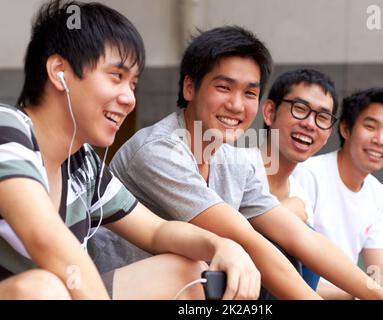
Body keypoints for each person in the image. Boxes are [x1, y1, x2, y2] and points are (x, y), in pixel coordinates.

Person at [0, 0, 261, 300]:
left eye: (133, 84)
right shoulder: (9, 130)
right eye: (116, 77)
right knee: (41, 290)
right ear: (60, 71)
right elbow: (45, 238)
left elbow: (156, 232)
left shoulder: (84, 164)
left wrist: (221, 245)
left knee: (187, 270)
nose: (129, 98)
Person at [111, 26, 383, 300]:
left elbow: (300, 238)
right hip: (120, 288)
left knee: (293, 239)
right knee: (227, 258)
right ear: (189, 87)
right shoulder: (159, 151)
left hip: (192, 289)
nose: (236, 105)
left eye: (249, 93)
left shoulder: (234, 159)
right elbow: (247, 240)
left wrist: (378, 294)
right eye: (224, 87)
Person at [293, 87, 383, 299]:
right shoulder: (308, 175)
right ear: (346, 129)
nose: (380, 140)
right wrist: (358, 294)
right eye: (370, 127)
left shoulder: (376, 191)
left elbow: (382, 274)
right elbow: (290, 276)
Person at [245, 68, 340, 292]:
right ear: (269, 112)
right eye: (300, 109)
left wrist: (357, 292)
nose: (310, 123)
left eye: (322, 117)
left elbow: (299, 282)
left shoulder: (301, 194)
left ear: (327, 134)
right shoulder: (234, 169)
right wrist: (282, 213)